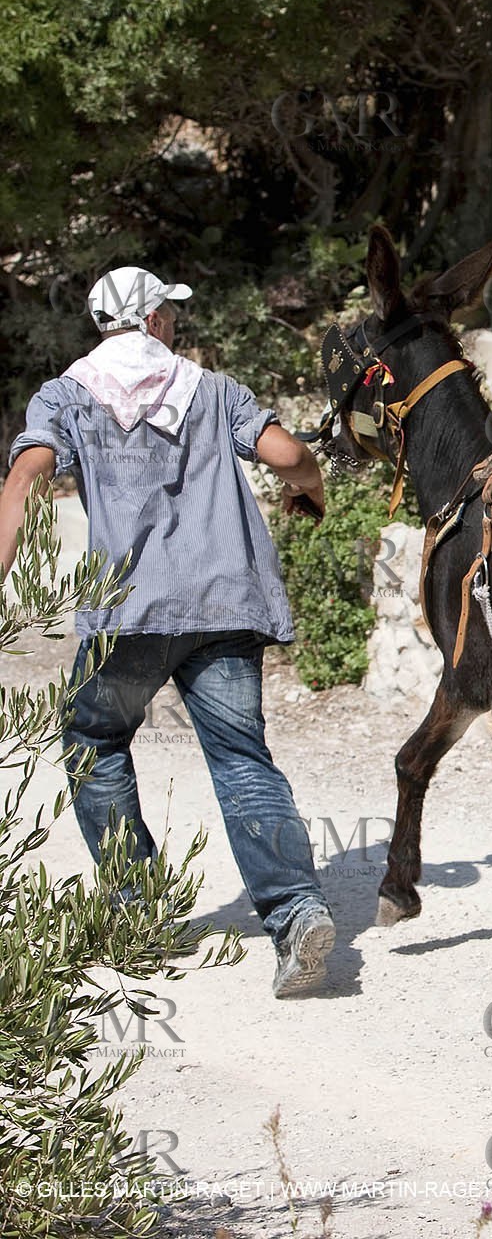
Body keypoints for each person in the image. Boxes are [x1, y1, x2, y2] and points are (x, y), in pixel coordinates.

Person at [0, 265, 335, 997]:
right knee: (242, 757)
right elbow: (289, 455)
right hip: (223, 607)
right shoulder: (213, 390)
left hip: (131, 614)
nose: (176, 326)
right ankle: (296, 911)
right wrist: (308, 491)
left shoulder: (67, 395)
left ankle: (138, 910)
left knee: (94, 742)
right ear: (152, 320)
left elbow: (26, 477)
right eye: (171, 315)